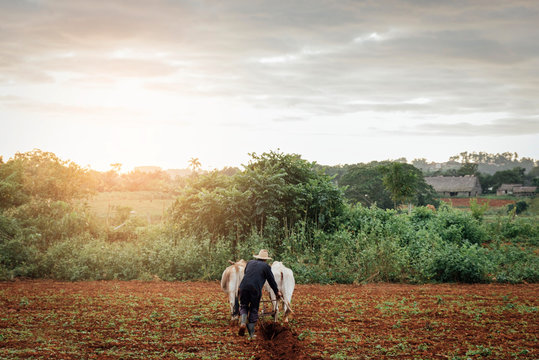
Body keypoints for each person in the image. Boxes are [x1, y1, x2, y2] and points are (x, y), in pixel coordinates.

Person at [238, 249, 282, 339]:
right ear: (266, 259)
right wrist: (277, 291)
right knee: (254, 309)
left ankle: (242, 323)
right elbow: (271, 281)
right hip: (255, 289)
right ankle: (251, 335)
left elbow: (247, 273)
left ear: (258, 257)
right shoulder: (266, 267)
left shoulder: (249, 263)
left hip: (243, 287)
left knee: (244, 305)